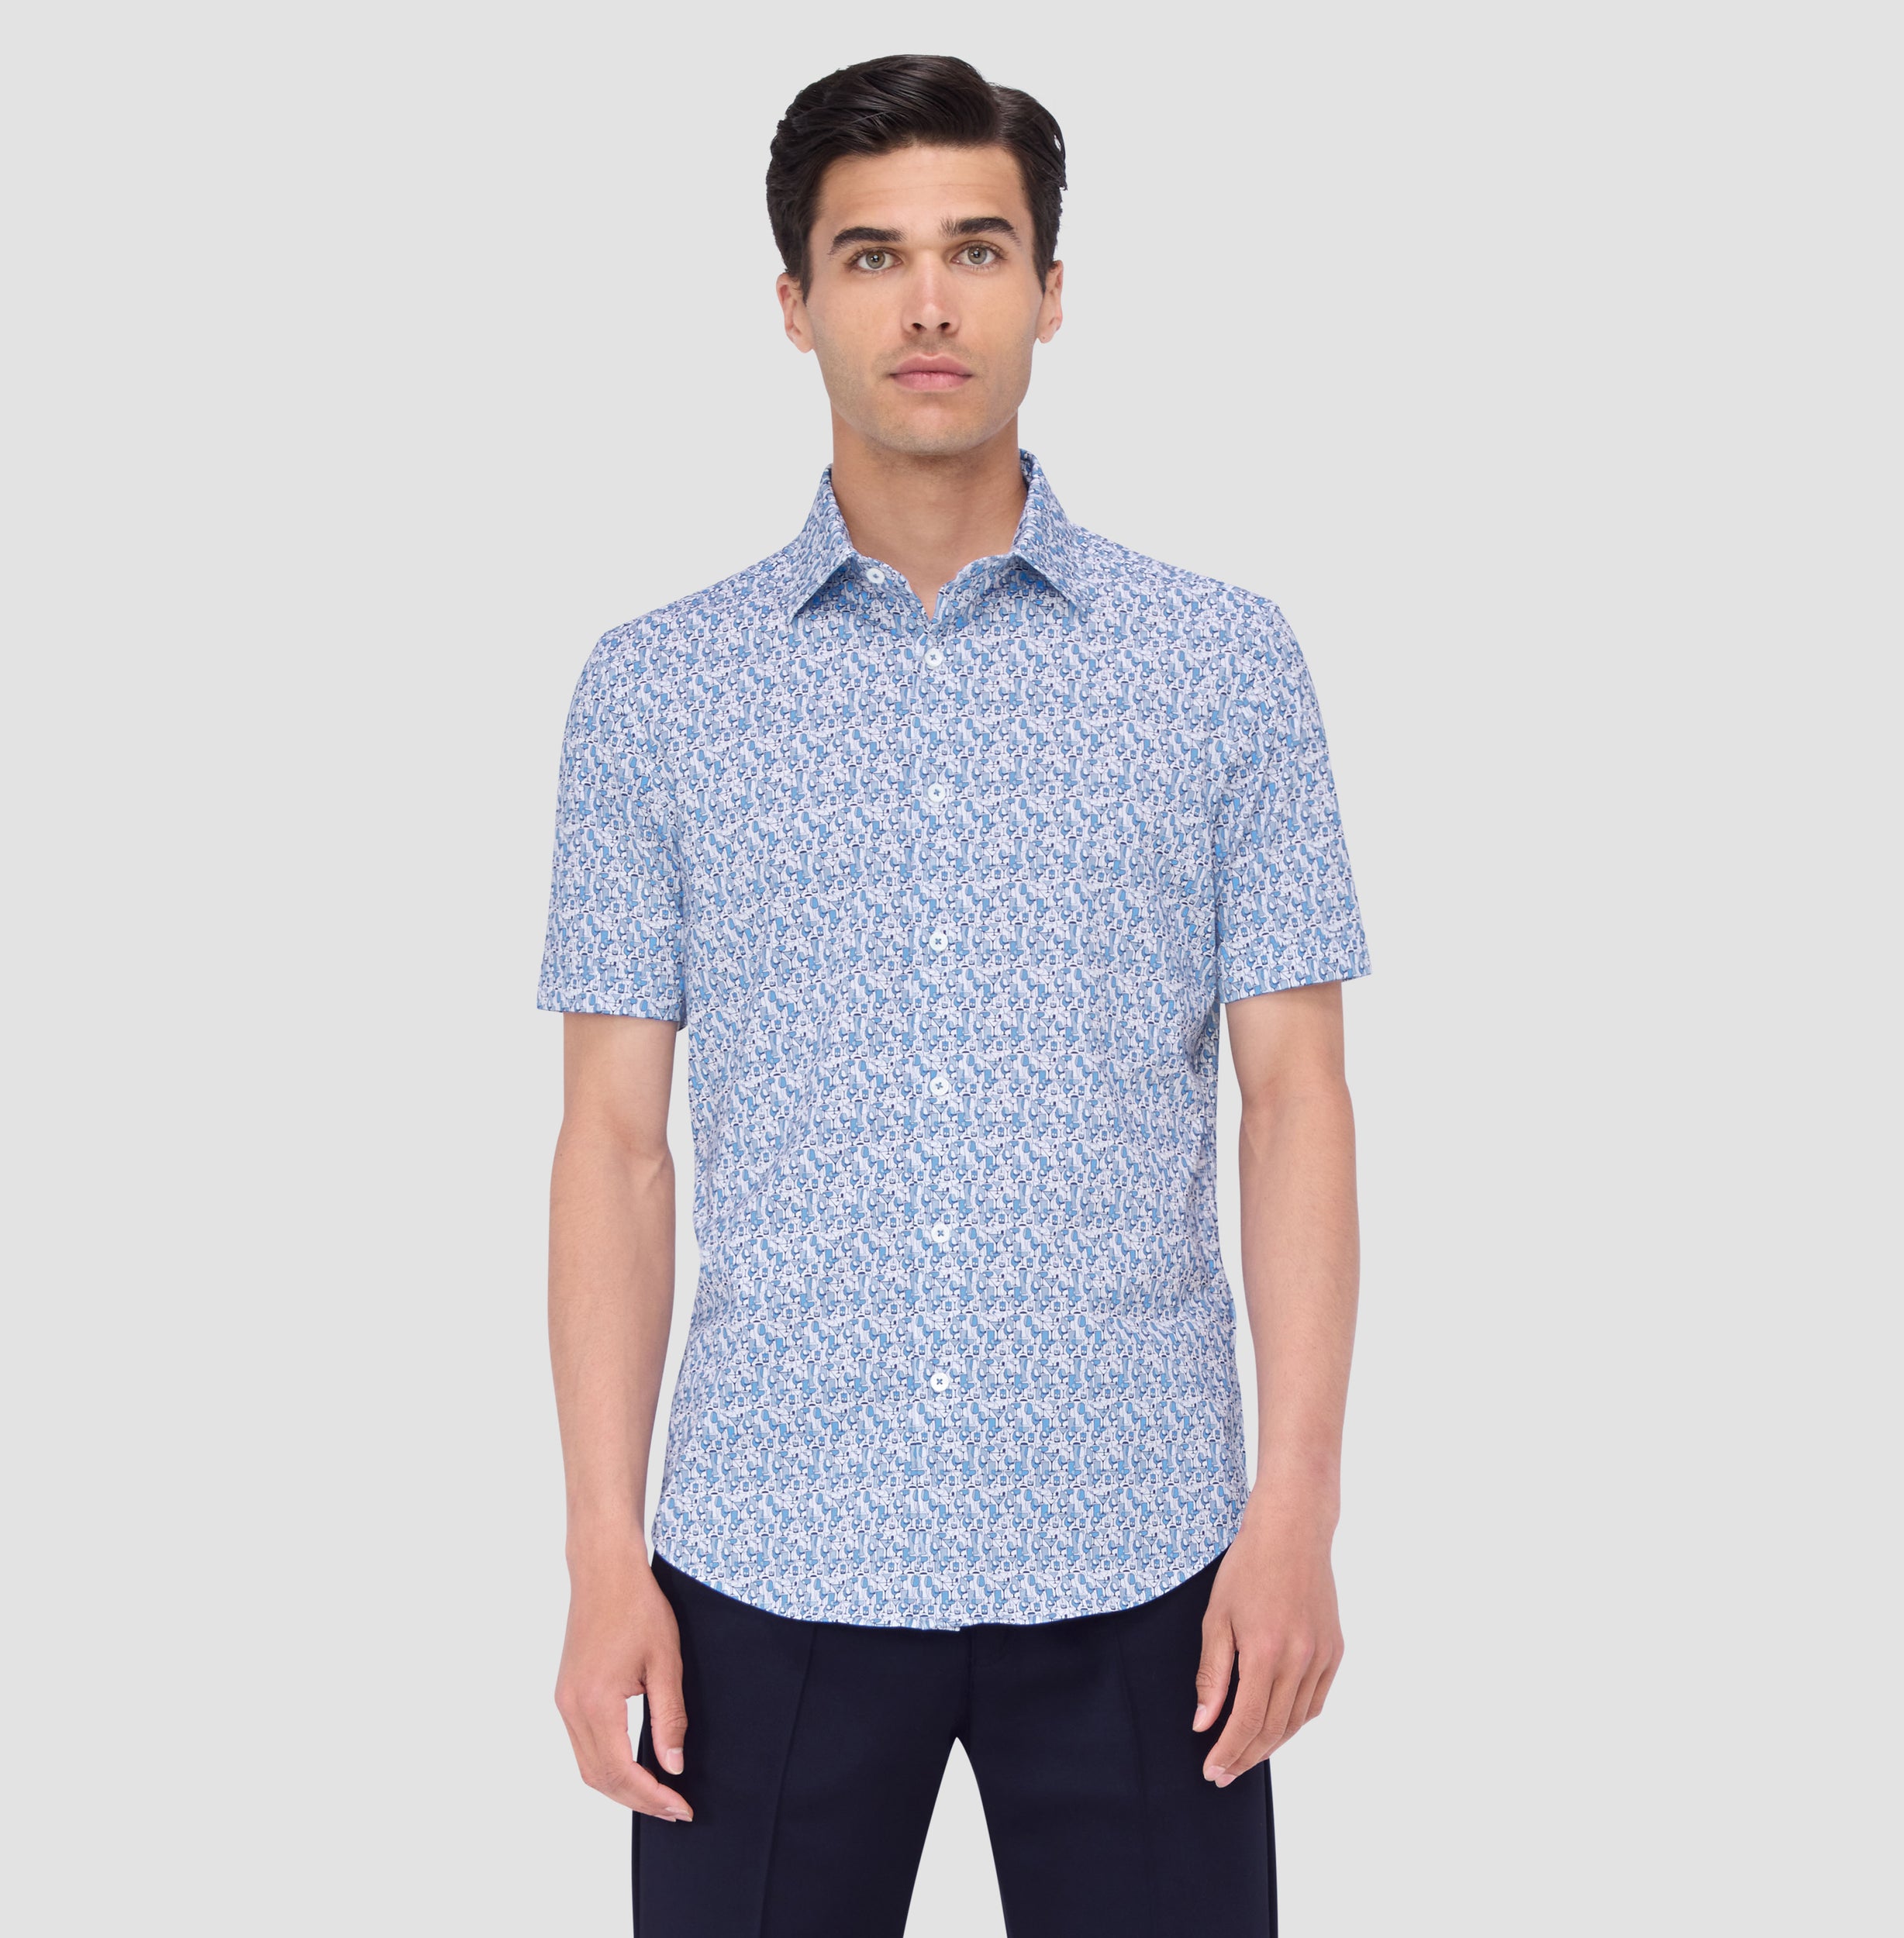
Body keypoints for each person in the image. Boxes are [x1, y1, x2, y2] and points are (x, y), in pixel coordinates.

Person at [537, 52, 1370, 1938]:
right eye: (872, 256)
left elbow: (1296, 1098)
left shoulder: (1219, 665)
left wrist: (1295, 1514)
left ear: (1049, 291)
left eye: (976, 250)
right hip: (766, 1554)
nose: (928, 303)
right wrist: (600, 1553)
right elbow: (612, 1144)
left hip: (1147, 1556)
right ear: (793, 300)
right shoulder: (655, 690)